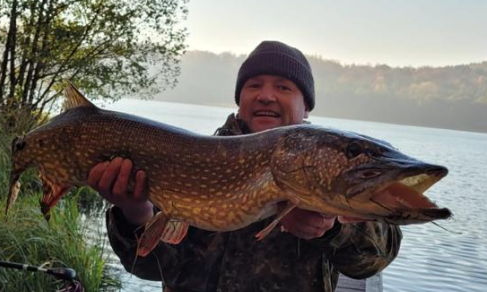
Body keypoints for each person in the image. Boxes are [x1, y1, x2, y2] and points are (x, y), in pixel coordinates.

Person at [88, 40, 402, 292]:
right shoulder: (193, 161)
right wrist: (135, 213)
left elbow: (373, 260)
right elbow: (148, 268)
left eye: (283, 87)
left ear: (305, 106)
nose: (266, 95)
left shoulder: (327, 163)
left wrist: (331, 228)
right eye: (254, 85)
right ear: (240, 99)